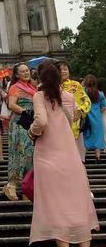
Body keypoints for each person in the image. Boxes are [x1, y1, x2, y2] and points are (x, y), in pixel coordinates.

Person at [28, 61, 99, 246]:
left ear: (40, 78)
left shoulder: (39, 96)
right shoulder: (68, 95)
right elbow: (74, 116)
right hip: (69, 153)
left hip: (48, 155)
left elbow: (42, 122)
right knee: (76, 202)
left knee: (57, 206)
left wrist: (31, 131)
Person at [2, 62, 36, 201]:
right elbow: (11, 104)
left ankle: (27, 187)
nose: (26, 73)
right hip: (20, 123)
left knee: (30, 155)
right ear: (16, 74)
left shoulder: (32, 88)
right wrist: (25, 111)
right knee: (18, 152)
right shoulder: (15, 87)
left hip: (31, 123)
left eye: (27, 70)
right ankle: (11, 185)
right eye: (22, 71)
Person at [58, 61, 91, 162]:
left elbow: (86, 101)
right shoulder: (51, 86)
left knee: (76, 155)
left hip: (74, 122)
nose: (63, 72)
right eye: (60, 70)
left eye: (65, 69)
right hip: (57, 122)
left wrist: (81, 111)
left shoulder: (75, 85)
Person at [83, 74, 106, 162]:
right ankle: (98, 157)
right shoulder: (100, 94)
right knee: (98, 137)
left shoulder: (83, 92)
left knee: (86, 136)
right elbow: (104, 107)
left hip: (86, 118)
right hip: (97, 119)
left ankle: (84, 157)